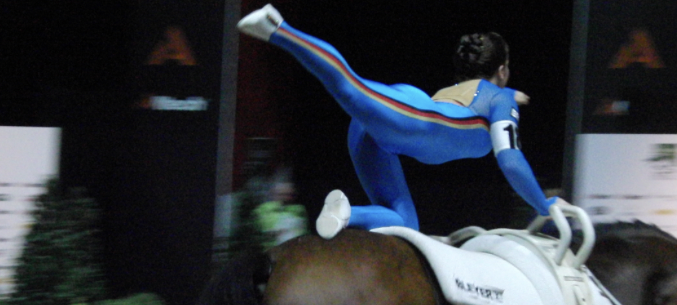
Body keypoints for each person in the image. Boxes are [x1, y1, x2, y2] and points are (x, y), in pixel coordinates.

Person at [237, 4, 556, 239]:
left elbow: (480, 97)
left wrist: (512, 94)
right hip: (414, 118)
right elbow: (511, 162)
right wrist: (543, 205)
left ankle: (346, 213)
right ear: (502, 70)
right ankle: (278, 29)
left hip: (377, 136)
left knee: (405, 225)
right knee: (351, 87)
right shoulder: (498, 99)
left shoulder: (465, 92)